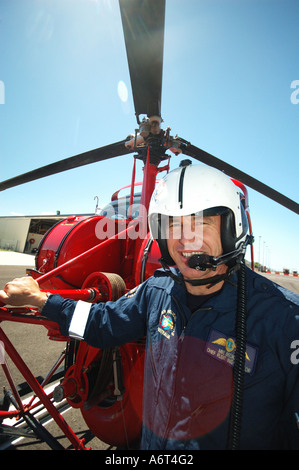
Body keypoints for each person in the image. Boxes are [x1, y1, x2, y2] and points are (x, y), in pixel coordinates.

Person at [1, 163, 298, 450]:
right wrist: (40, 300)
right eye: (173, 225)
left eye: (201, 222)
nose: (184, 240)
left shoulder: (285, 321)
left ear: (232, 229)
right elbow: (101, 324)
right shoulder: (157, 290)